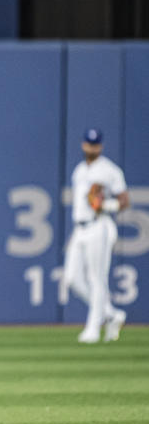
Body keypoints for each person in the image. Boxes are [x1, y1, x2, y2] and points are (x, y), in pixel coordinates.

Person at [64, 128, 129, 343]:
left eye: (95, 144)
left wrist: (106, 205)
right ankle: (111, 314)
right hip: (80, 227)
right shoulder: (79, 170)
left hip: (99, 226)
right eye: (88, 143)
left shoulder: (110, 171)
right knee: (72, 278)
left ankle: (93, 328)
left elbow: (124, 201)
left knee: (97, 278)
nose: (91, 147)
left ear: (100, 146)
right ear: (84, 145)